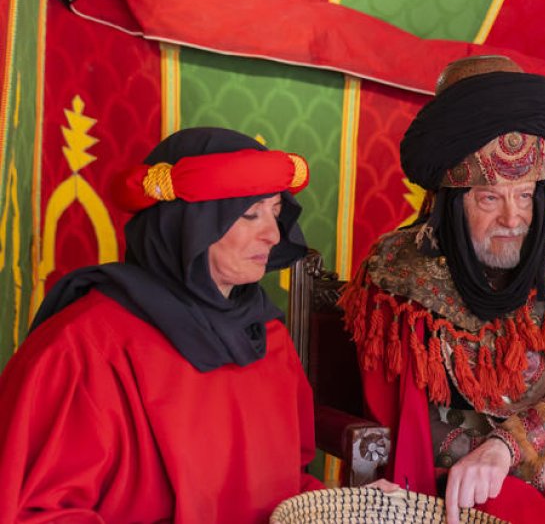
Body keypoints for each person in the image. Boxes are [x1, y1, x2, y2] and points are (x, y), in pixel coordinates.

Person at [340, 56, 545, 524]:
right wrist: (539, 469)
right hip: (447, 480)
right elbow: (406, 421)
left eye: (525, 194)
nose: (513, 220)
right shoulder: (398, 276)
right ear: (452, 199)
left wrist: (511, 448)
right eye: (490, 197)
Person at [0, 127, 321, 522]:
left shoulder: (268, 337)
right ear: (187, 226)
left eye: (275, 211)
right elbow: (36, 511)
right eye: (249, 213)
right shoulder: (85, 347)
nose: (273, 234)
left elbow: (293, 483)